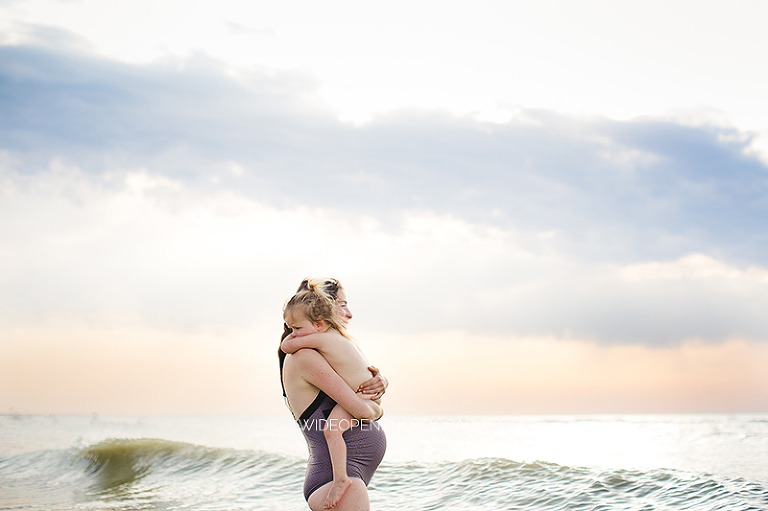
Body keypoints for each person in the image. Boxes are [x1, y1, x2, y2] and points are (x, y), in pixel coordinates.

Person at [279, 278, 387, 511]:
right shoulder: (305, 357)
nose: (348, 315)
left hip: (346, 477)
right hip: (334, 479)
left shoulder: (328, 351)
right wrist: (377, 407)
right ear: (322, 311)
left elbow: (358, 397)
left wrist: (380, 383)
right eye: (342, 305)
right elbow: (363, 410)